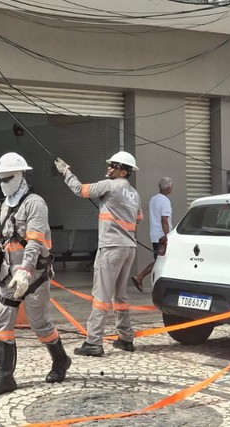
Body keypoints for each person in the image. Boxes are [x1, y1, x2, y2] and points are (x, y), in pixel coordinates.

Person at [0, 152, 71, 395]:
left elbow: (34, 242)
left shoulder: (35, 204)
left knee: (39, 323)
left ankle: (61, 360)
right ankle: (5, 377)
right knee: (2, 321)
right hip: (7, 274)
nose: (3, 182)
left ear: (21, 176)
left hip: (33, 275)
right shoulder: (1, 206)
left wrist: (25, 270)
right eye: (0, 178)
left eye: (7, 178)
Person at [55, 151, 143, 356]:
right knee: (120, 295)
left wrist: (66, 172)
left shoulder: (109, 186)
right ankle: (125, 338)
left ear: (123, 170)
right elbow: (139, 218)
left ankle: (94, 342)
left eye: (113, 165)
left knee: (101, 296)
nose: (109, 168)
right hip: (129, 248)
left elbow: (80, 190)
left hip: (111, 247)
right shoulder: (134, 193)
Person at [132, 177, 172, 292]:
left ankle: (142, 278)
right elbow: (164, 220)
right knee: (160, 261)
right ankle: (140, 277)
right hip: (162, 236)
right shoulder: (165, 201)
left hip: (155, 235)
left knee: (159, 260)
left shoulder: (153, 199)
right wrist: (168, 236)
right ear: (168, 188)